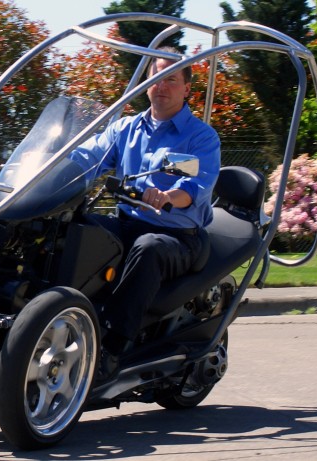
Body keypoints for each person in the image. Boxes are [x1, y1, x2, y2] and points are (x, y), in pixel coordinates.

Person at [69, 47, 221, 376]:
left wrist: (168, 196)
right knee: (76, 228)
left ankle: (112, 348)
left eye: (172, 79)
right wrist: (48, 167)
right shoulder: (126, 129)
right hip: (128, 224)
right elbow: (87, 156)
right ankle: (61, 313)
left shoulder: (201, 138)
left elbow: (195, 187)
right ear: (146, 82)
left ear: (186, 88)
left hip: (178, 237)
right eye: (157, 77)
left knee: (148, 248)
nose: (162, 85)